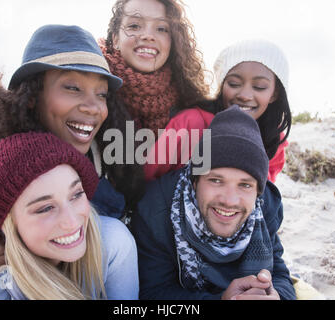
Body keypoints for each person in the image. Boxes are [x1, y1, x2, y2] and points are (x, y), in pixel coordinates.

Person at [0, 24, 141, 299]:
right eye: (73, 87)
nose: (93, 107)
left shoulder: (110, 163)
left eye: (102, 94)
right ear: (32, 96)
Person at [130, 106, 296, 300]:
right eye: (216, 180)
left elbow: (280, 274)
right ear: (195, 180)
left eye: (245, 185)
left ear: (258, 191)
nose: (229, 200)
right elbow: (154, 292)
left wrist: (276, 297)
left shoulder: (265, 206)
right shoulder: (156, 210)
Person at [0, 132, 137, 299]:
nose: (71, 222)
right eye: (45, 208)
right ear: (10, 223)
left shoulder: (113, 241)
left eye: (76, 194)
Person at [144, 39, 291, 183]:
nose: (245, 95)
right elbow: (147, 177)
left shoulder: (273, 138)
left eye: (259, 86)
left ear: (275, 94)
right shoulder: (192, 123)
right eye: (234, 84)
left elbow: (264, 196)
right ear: (221, 86)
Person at [100, 0, 210, 136]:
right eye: (134, 26)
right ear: (115, 39)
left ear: (173, 41)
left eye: (161, 29)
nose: (148, 36)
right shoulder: (92, 88)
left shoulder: (190, 107)